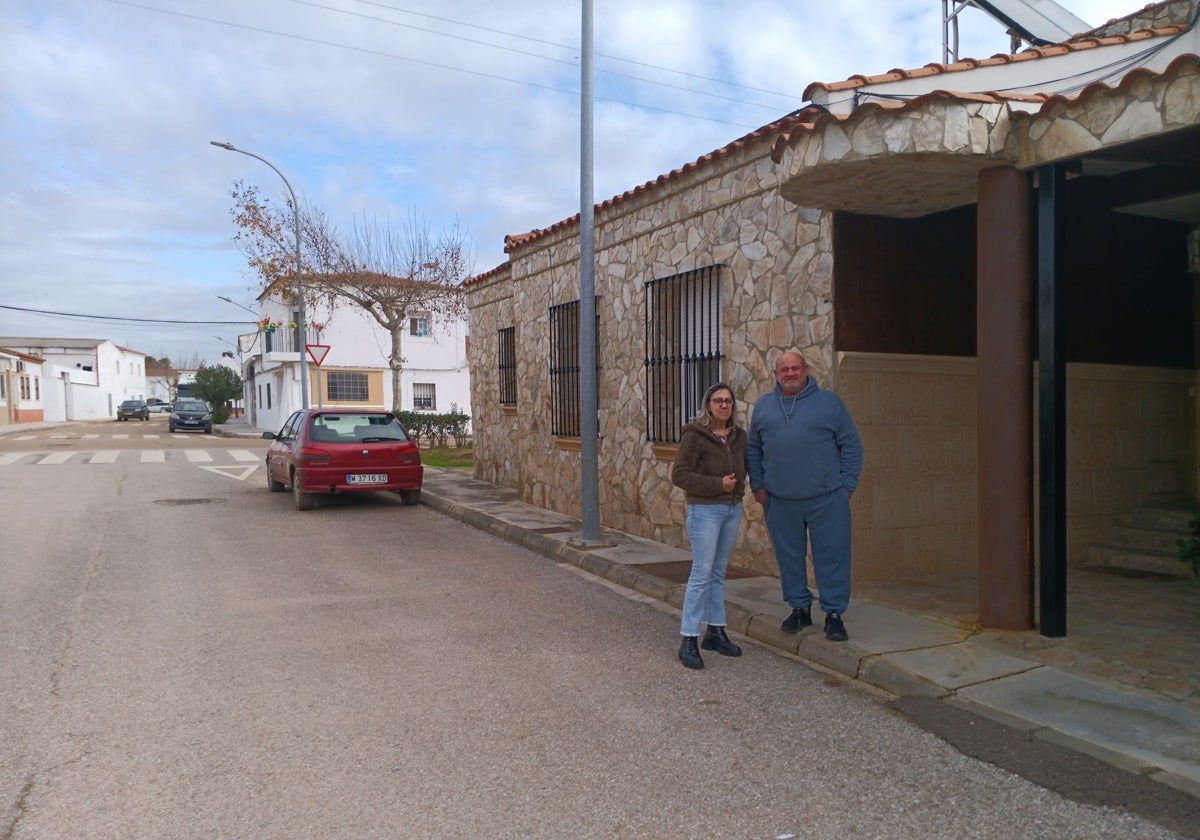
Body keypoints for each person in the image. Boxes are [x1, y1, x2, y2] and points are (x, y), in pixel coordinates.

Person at [746, 351, 863, 642]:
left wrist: (845, 486)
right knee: (789, 557)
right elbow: (753, 450)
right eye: (784, 369)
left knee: (832, 555)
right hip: (779, 500)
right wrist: (758, 487)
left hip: (826, 499)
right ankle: (799, 607)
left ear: (806, 370)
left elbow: (852, 446)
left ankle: (834, 614)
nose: (790, 373)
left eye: (795, 368)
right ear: (776, 374)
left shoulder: (830, 404)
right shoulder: (763, 407)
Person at [670, 382, 747, 669]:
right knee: (701, 573)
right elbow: (679, 475)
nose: (724, 405)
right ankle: (688, 637)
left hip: (731, 510)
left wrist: (738, 492)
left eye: (728, 401)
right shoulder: (695, 435)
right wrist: (718, 485)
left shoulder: (739, 436)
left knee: (718, 572)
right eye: (718, 401)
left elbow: (745, 467)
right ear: (708, 405)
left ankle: (715, 630)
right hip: (705, 511)